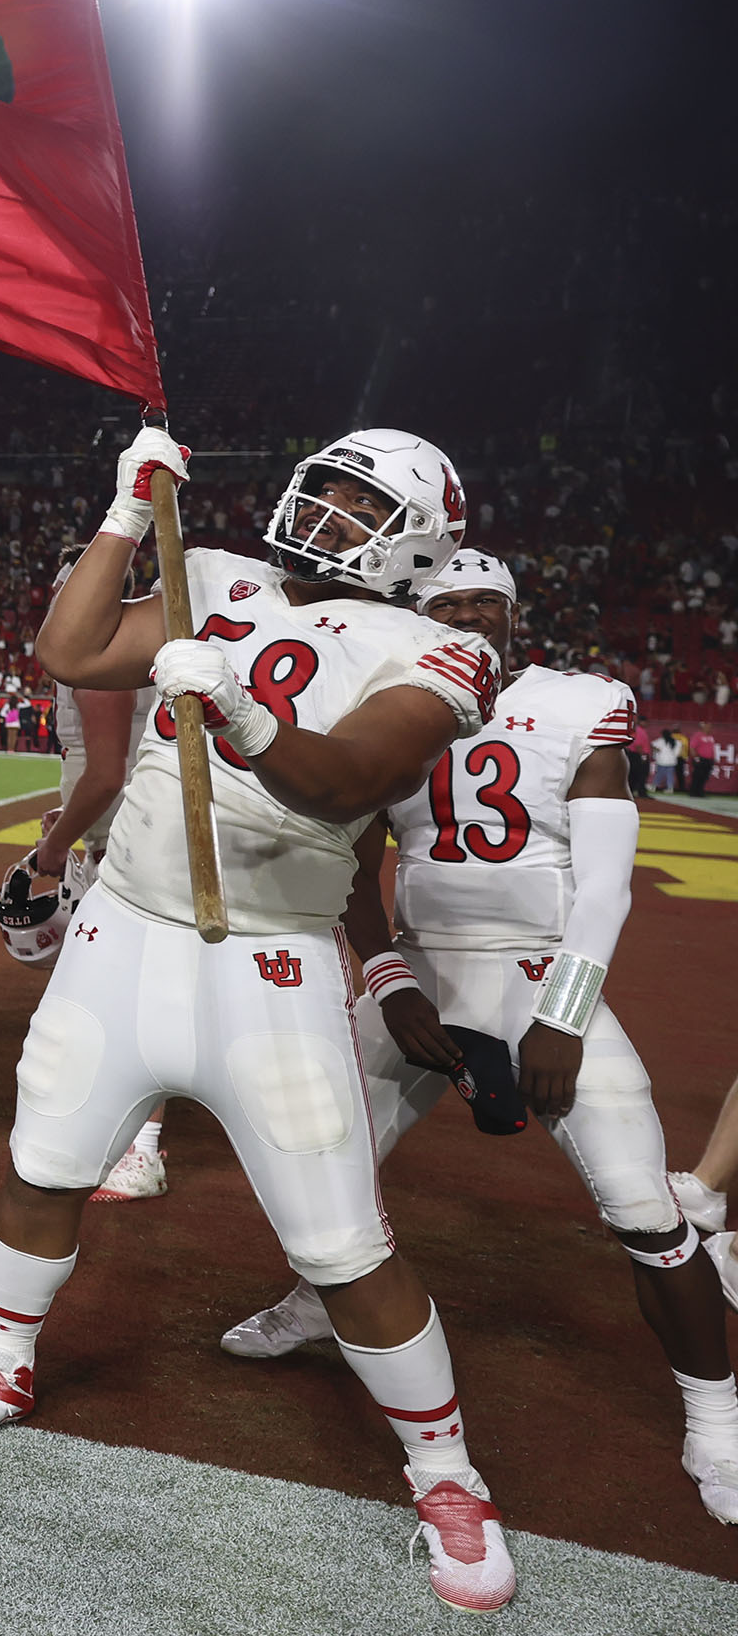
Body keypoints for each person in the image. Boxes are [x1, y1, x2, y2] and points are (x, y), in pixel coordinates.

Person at [0, 425, 518, 1615]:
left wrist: (240, 711)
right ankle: (4, 1358)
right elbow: (69, 646)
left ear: (420, 542)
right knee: (43, 1163)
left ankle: (449, 1475)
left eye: (362, 505)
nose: (330, 513)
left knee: (341, 1244)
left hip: (270, 964)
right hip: (122, 933)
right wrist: (130, 510)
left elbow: (349, 779)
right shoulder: (210, 569)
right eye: (327, 489)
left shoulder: (445, 649)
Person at [210, 551, 738, 1522]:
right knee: (318, 1153)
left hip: (542, 968)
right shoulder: (396, 697)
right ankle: (316, 1298)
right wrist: (389, 977)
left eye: (480, 602)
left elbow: (610, 884)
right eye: (443, 603)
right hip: (420, 963)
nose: (464, 616)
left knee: (645, 1212)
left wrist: (565, 1016)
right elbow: (355, 857)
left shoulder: (579, 701)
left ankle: (718, 1414)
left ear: (512, 612)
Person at [21, 547, 166, 1203]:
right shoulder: (127, 642)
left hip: (129, 826)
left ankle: (142, 1147)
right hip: (129, 818)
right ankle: (125, 1130)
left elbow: (106, 771)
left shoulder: (100, 653)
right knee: (125, 984)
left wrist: (57, 847)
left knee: (130, 989)